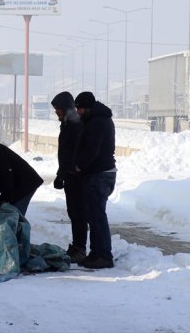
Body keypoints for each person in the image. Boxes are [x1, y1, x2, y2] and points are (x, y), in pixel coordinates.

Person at [73, 91, 117, 269]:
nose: (78, 112)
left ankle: (104, 255)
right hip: (100, 172)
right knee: (93, 215)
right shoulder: (97, 119)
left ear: (87, 108)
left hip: (99, 174)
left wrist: (80, 165)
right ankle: (96, 253)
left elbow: (93, 149)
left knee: (97, 216)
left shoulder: (97, 122)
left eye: (80, 109)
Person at [51, 91, 87, 264]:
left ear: (65, 109)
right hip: (70, 176)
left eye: (58, 110)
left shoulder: (76, 126)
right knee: (73, 212)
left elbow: (74, 153)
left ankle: (80, 248)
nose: (56, 113)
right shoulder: (67, 124)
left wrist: (72, 171)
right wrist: (61, 175)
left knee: (78, 213)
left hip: (77, 177)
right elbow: (64, 155)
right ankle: (77, 246)